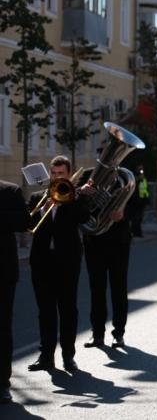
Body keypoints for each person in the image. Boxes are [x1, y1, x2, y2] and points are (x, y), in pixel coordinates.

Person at [27, 156, 91, 373]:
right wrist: (43, 208)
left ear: (69, 174)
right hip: (42, 262)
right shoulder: (38, 197)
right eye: (53, 173)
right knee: (45, 311)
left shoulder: (75, 197)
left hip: (67, 261)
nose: (56, 177)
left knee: (68, 309)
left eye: (61, 173)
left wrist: (69, 199)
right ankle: (46, 356)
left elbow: (84, 217)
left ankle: (68, 356)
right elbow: (28, 223)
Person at [82, 199, 133, 350]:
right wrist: (82, 193)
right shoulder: (84, 183)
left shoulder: (126, 183)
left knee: (119, 288)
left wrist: (124, 214)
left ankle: (119, 333)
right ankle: (97, 334)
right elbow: (78, 208)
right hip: (94, 241)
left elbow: (138, 202)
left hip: (119, 242)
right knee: (96, 290)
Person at [0, 180, 29, 403]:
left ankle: (2, 383)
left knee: (2, 329)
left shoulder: (10, 191)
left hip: (3, 273)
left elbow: (23, 222)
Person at [129, 165, 149, 237]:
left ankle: (137, 232)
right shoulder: (134, 179)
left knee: (139, 218)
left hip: (142, 201)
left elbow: (145, 190)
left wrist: (146, 200)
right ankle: (135, 232)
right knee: (136, 218)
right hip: (136, 202)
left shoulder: (144, 179)